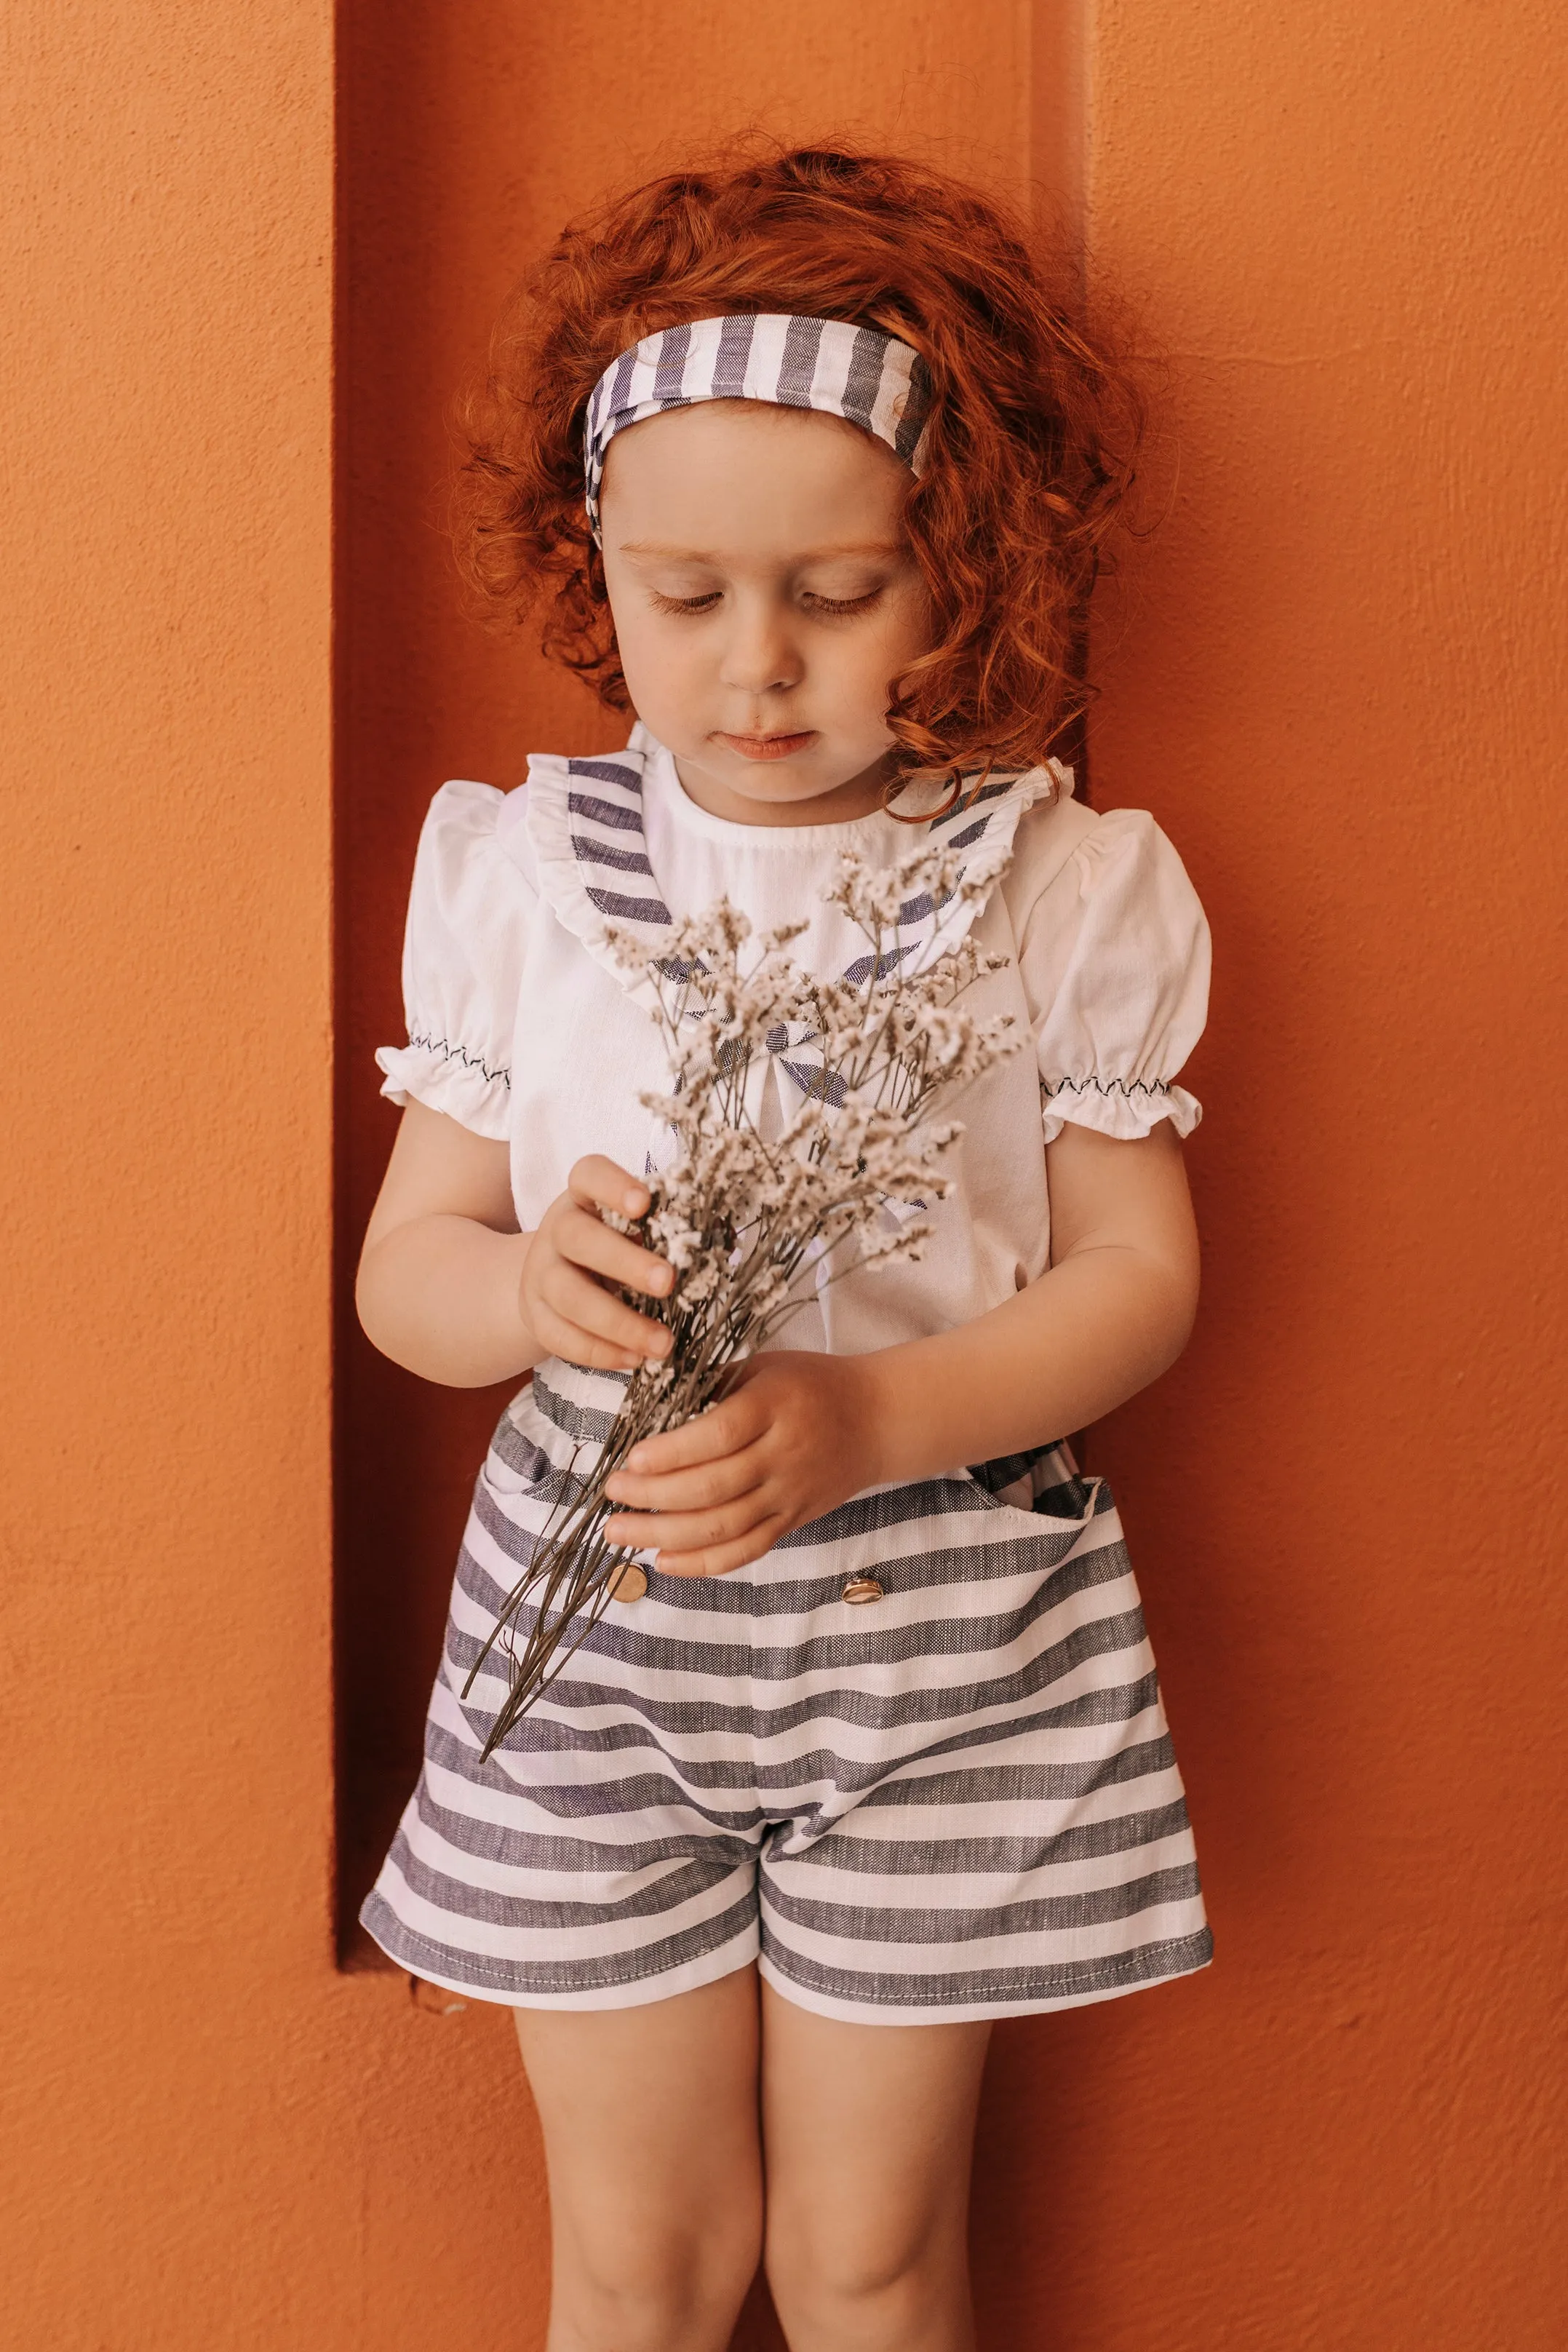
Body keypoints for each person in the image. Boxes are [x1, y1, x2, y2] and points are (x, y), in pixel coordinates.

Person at [356, 146, 1213, 2352]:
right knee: (643, 2259)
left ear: (960, 573)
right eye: (684, 594)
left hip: (937, 1648)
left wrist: (871, 1415)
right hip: (599, 1643)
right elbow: (410, 1270)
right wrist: (526, 1286)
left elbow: (1138, 1272)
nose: (754, 667)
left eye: (836, 595)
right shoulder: (527, 873)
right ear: (594, 567)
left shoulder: (1053, 885)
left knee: (868, 2257)